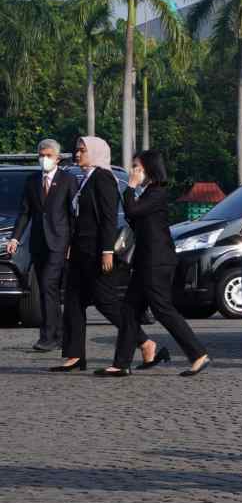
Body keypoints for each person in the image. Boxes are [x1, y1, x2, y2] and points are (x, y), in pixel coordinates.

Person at [93, 150, 211, 376]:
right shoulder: (147, 192)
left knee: (162, 309)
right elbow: (134, 216)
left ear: (148, 168)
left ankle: (198, 354)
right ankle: (121, 364)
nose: (133, 171)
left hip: (156, 262)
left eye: (137, 166)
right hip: (144, 261)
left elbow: (132, 210)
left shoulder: (157, 192)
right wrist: (133, 189)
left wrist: (130, 186)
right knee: (129, 310)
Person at [51, 136, 158, 373]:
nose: (77, 154)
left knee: (105, 300)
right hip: (80, 251)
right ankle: (74, 354)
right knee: (73, 301)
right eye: (76, 150)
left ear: (97, 153)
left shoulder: (104, 178)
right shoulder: (86, 179)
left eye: (82, 150)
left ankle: (145, 341)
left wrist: (107, 250)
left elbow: (109, 217)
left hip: (97, 250)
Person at [7, 139, 75, 351]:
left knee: (48, 285)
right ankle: (59, 334)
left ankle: (47, 336)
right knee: (49, 289)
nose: (44, 159)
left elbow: (73, 215)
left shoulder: (68, 180)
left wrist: (72, 242)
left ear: (57, 158)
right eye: (41, 155)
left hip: (59, 242)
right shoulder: (32, 181)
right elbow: (25, 212)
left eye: (48, 155)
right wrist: (15, 238)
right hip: (38, 242)